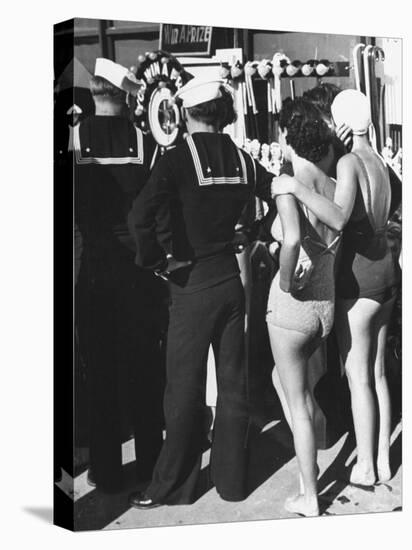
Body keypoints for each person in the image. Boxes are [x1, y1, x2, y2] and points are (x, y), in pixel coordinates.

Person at [128, 78, 275, 508]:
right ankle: (232, 483)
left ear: (188, 114)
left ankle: (173, 486)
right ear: (221, 113)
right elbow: (278, 192)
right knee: (233, 387)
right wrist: (253, 233)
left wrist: (154, 261)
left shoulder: (176, 159)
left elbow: (140, 216)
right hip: (232, 283)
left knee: (183, 392)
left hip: (190, 286)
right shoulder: (245, 159)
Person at [272, 89, 401, 486]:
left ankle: (364, 466)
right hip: (386, 269)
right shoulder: (379, 160)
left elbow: (340, 217)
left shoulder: (348, 161)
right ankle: (380, 459)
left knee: (358, 376)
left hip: (360, 276)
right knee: (377, 375)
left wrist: (295, 188)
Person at [74, 58, 167, 493]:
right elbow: (158, 212)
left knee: (100, 373)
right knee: (145, 369)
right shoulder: (145, 143)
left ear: (94, 94)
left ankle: (107, 469)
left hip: (94, 270)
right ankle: (149, 461)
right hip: (139, 273)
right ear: (126, 97)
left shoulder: (72, 140)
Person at [266, 98, 340, 517]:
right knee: (289, 384)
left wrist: (282, 276)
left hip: (293, 306)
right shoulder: (330, 184)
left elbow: (291, 239)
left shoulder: (288, 182)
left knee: (295, 398)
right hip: (324, 308)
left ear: (287, 138)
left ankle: (309, 494)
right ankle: (310, 455)